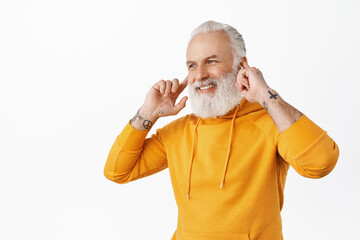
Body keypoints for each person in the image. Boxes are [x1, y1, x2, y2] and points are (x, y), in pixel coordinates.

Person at [104, 20, 339, 240]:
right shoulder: (177, 133)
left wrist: (264, 93)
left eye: (212, 61)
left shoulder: (272, 124)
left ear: (241, 64)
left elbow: (321, 163)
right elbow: (117, 172)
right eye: (192, 65)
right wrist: (147, 113)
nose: (200, 75)